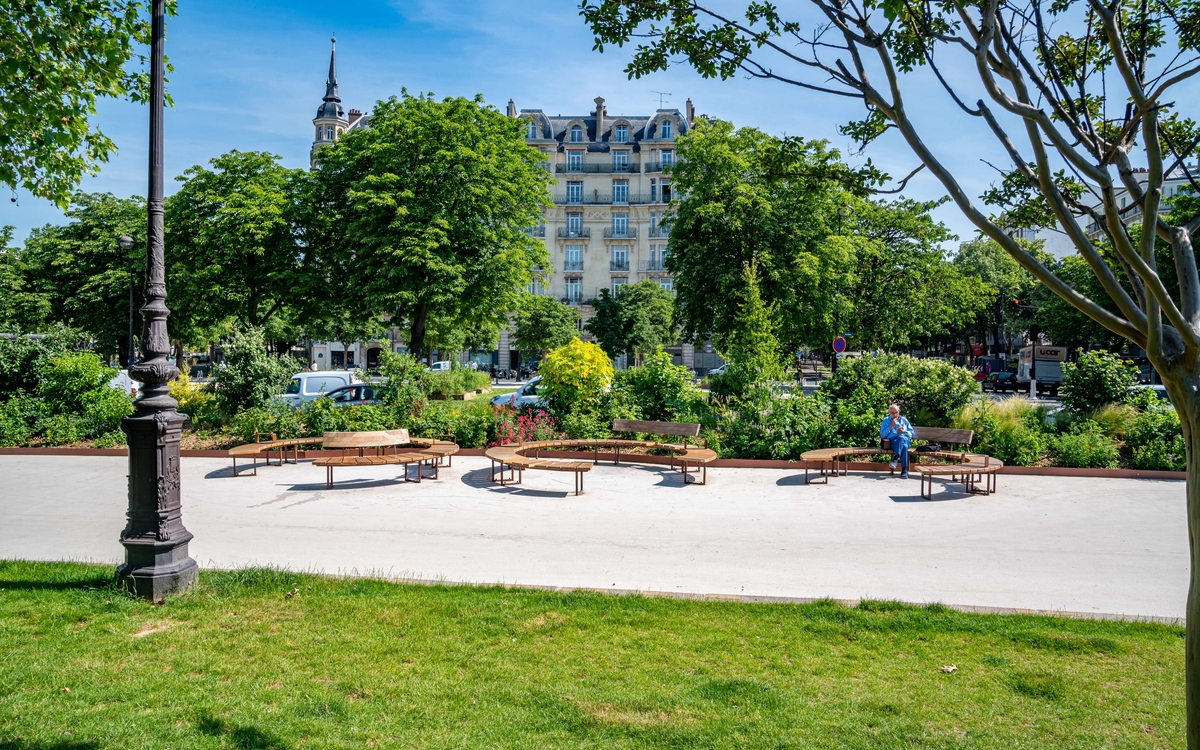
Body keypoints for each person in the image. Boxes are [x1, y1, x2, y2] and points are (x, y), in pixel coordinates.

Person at [880, 404, 913, 478]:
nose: (894, 415)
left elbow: (912, 433)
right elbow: (882, 435)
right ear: (889, 412)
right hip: (893, 442)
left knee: (902, 438)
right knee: (903, 446)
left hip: (905, 440)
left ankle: (895, 459)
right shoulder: (886, 421)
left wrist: (904, 432)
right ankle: (904, 470)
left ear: (899, 411)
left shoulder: (904, 420)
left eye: (896, 412)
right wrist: (891, 426)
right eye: (892, 413)